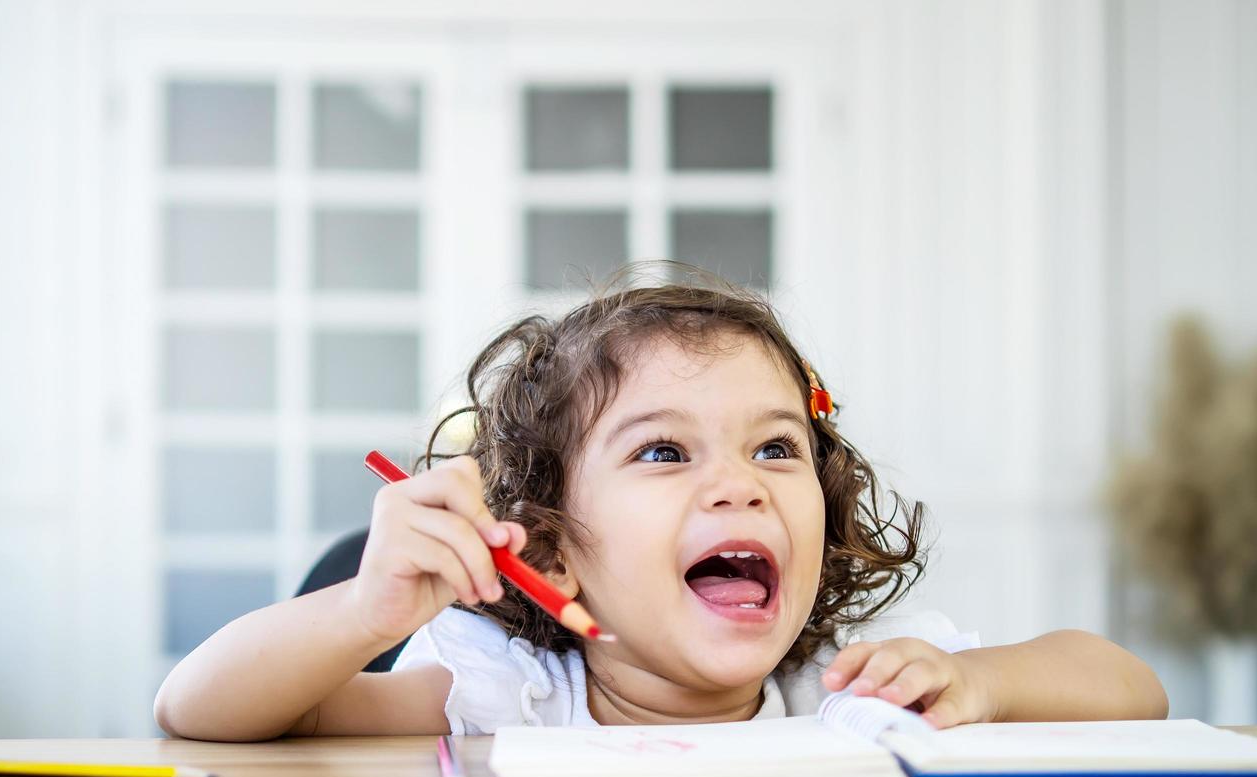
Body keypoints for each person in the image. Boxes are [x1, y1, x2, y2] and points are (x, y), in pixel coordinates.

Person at [155, 266, 1167, 741]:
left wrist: (971, 680)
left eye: (776, 445)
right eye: (665, 450)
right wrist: (357, 615)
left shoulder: (845, 691)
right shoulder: (510, 695)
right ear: (551, 555)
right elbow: (194, 708)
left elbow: (1127, 684)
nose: (739, 481)